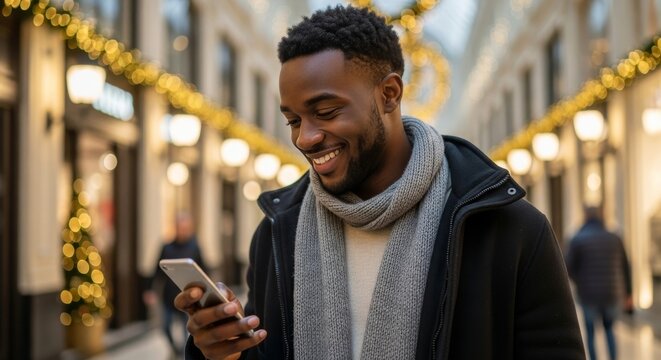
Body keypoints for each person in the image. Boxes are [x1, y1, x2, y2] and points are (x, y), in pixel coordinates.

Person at [176, 5, 585, 359]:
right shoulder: (277, 233)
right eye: (294, 120)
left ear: (389, 94)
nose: (306, 138)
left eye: (327, 111)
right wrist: (222, 351)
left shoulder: (506, 229)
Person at [565, 207, 633, 360]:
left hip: (588, 293)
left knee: (590, 333)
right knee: (610, 329)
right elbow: (626, 266)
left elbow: (567, 266)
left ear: (585, 217)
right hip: (612, 293)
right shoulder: (614, 238)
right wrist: (628, 293)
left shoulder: (578, 239)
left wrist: (579, 281)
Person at [145, 212, 207, 354]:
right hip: (169, 296)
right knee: (165, 327)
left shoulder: (195, 246)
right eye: (180, 227)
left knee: (187, 328)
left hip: (188, 296)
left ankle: (185, 352)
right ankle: (175, 349)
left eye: (185, 227)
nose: (182, 230)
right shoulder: (167, 247)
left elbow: (203, 269)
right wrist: (150, 290)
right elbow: (157, 268)